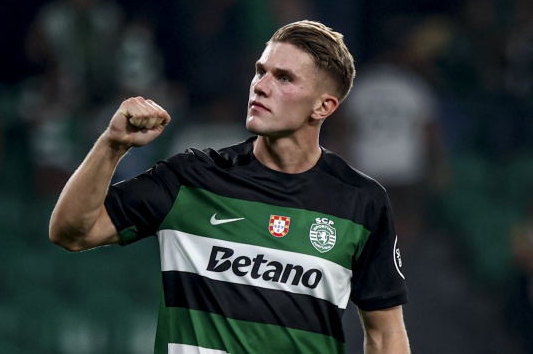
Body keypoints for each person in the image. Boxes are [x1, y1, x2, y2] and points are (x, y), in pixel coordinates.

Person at [49, 20, 410, 353]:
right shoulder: (191, 178)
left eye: (284, 78)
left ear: (323, 107)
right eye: (261, 71)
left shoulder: (361, 202)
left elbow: (385, 335)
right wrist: (112, 145)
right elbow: (71, 232)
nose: (261, 86)